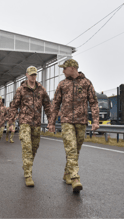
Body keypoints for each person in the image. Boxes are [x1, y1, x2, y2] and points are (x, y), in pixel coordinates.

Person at [49, 59, 99, 193]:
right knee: (71, 149)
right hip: (66, 121)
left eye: (64, 68)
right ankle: (75, 178)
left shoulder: (86, 83)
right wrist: (51, 123)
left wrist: (95, 121)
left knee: (75, 151)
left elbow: (93, 103)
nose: (63, 71)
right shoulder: (62, 84)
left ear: (72, 68)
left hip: (81, 122)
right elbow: (55, 105)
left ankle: (66, 174)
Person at [8, 66, 54, 187]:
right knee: (27, 147)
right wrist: (11, 122)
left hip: (36, 123)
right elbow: (14, 106)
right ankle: (28, 174)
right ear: (27, 75)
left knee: (34, 147)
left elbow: (48, 106)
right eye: (31, 74)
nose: (33, 76)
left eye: (35, 74)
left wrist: (51, 121)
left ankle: (26, 164)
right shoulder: (21, 90)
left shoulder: (41, 89)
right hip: (24, 123)